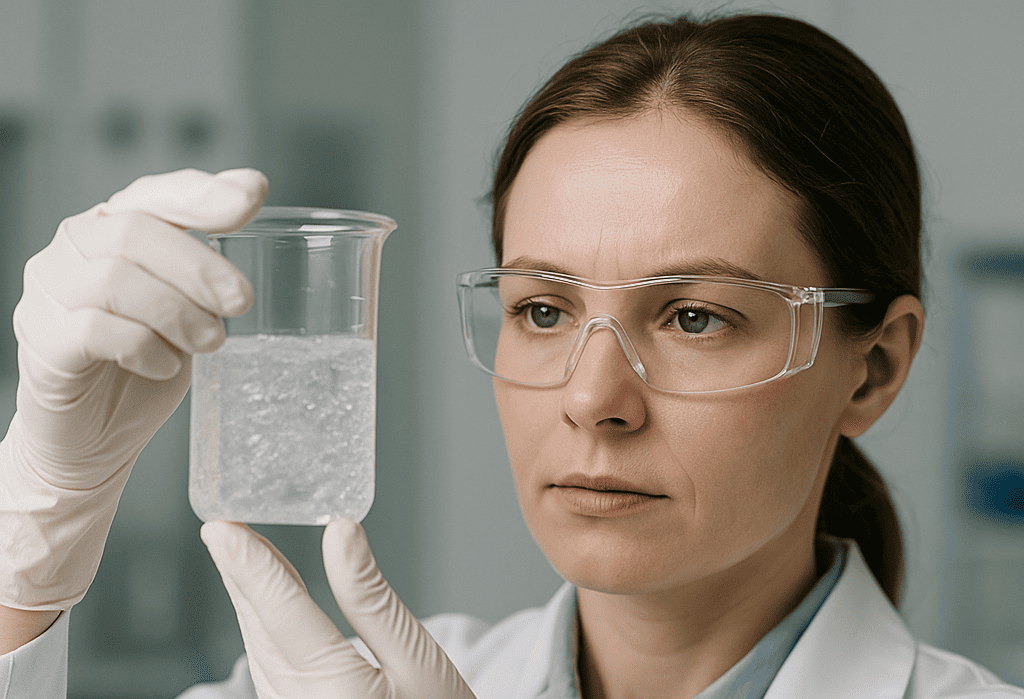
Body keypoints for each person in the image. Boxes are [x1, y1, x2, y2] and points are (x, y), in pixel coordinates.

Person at [0, 11, 1022, 699]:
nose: (593, 399)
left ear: (874, 367)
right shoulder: (331, 682)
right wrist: (28, 564)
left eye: (695, 317)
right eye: (542, 310)